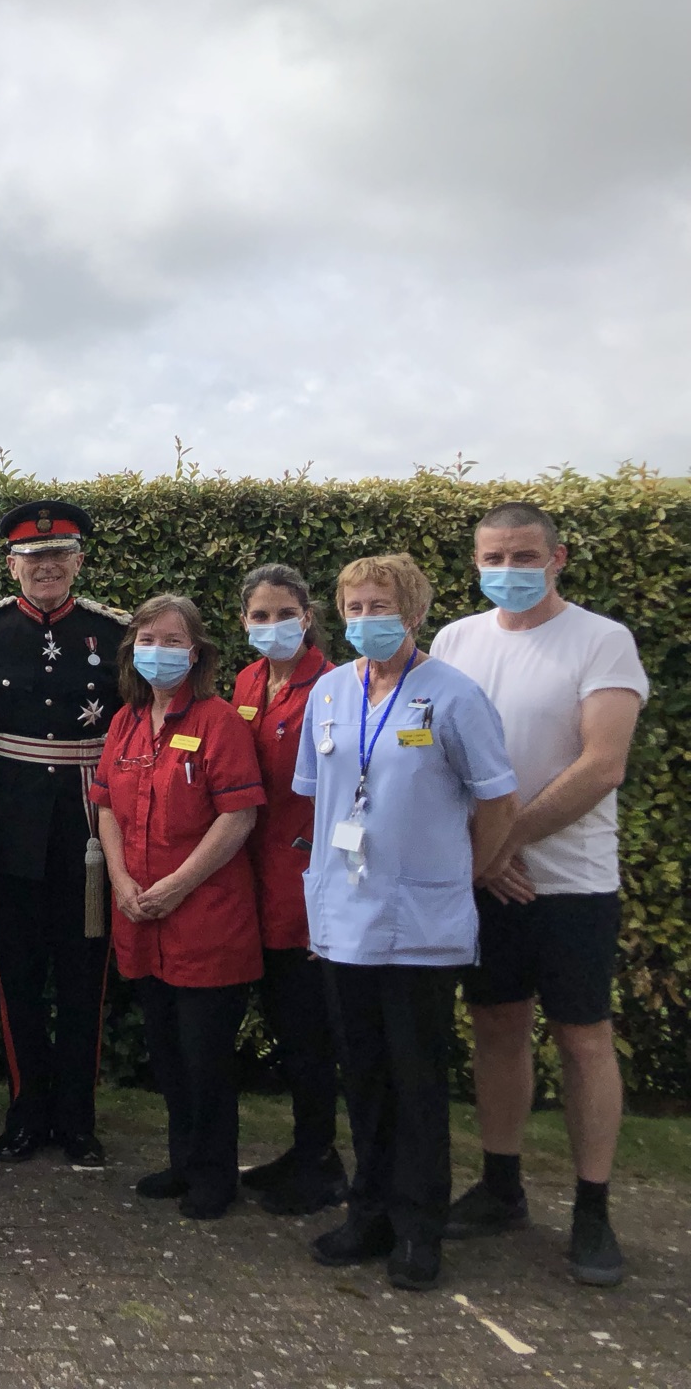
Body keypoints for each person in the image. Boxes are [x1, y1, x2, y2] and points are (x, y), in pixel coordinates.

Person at [433, 502, 649, 1287]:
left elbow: (602, 765)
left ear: (558, 558)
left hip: (570, 882)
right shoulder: (456, 641)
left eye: (525, 556)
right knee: (496, 1025)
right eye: (494, 557)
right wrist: (479, 857)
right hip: (483, 878)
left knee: (583, 1037)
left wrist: (503, 843)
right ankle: (501, 1186)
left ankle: (593, 1208)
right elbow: (437, 762)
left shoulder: (602, 640)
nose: (509, 570)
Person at [295, 553, 518, 1291]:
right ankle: (370, 1215)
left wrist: (472, 873)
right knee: (363, 1075)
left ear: (415, 612)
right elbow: (319, 794)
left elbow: (497, 802)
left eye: (379, 605)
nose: (366, 619)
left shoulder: (452, 696)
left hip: (422, 923)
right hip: (343, 918)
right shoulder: (328, 693)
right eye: (353, 607)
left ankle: (420, 1229)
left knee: (417, 1079)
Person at [0, 499, 128, 1168]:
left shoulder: (114, 635)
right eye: (32, 558)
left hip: (87, 828)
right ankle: (26, 1109)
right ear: (11, 565)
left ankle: (78, 1118)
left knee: (85, 974)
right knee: (16, 975)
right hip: (10, 829)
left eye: (58, 556)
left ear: (78, 561)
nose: (45, 567)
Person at [92, 595, 265, 1220]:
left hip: (204, 918)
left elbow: (238, 815)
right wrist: (119, 878)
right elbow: (107, 804)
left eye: (171, 640)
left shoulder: (220, 721)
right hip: (140, 914)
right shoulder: (127, 721)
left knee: (206, 1058)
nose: (157, 651)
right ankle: (183, 1160)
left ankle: (216, 1176)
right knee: (167, 1052)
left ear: (196, 652)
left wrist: (177, 886)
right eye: (146, 638)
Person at [227, 564, 347, 1215]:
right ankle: (307, 1151)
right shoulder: (248, 682)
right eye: (258, 615)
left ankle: (322, 1159)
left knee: (309, 1029)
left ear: (308, 617)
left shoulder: (335, 688)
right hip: (252, 878)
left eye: (283, 614)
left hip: (308, 885)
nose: (270, 626)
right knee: (280, 1020)